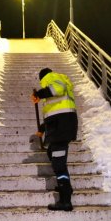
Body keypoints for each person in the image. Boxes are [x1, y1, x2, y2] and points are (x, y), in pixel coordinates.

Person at [31, 68, 78, 211]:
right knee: (51, 152)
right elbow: (56, 112)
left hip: (61, 129)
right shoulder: (57, 83)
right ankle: (65, 185)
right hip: (62, 126)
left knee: (59, 165)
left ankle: (65, 200)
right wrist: (42, 128)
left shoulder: (52, 78)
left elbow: (58, 88)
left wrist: (39, 93)